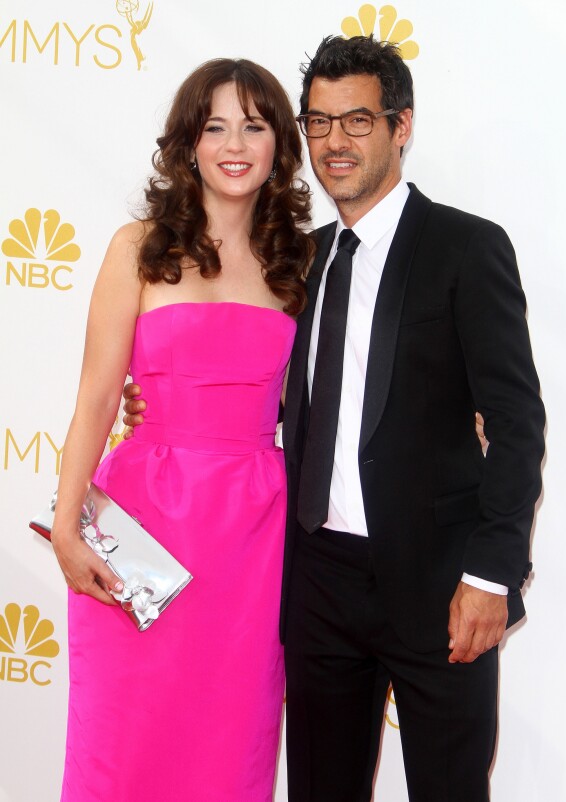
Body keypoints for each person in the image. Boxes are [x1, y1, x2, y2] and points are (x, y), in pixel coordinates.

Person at [278, 36, 545, 802]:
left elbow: (518, 423)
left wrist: (490, 575)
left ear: (402, 126)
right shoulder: (299, 259)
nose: (335, 142)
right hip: (319, 583)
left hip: (440, 587)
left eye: (357, 121)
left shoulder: (466, 247)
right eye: (319, 123)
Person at [50, 58, 313, 802]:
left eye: (255, 126)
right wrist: (67, 527)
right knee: (124, 738)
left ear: (277, 145)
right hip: (141, 532)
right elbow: (97, 399)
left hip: (253, 544)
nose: (235, 143)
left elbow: (325, 400)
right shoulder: (137, 248)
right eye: (215, 125)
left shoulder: (300, 262)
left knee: (230, 743)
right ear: (188, 143)